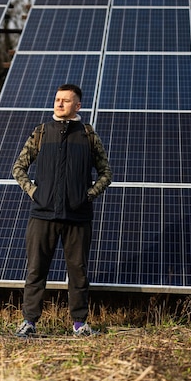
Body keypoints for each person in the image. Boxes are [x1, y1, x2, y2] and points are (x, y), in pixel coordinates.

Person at [12, 84, 112, 337]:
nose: (59, 104)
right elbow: (18, 168)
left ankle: (79, 324)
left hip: (78, 217)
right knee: (36, 270)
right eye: (57, 99)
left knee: (78, 271)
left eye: (65, 101)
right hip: (42, 215)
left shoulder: (88, 134)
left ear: (77, 106)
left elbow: (106, 173)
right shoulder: (41, 132)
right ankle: (29, 323)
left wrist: (87, 196)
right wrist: (35, 193)